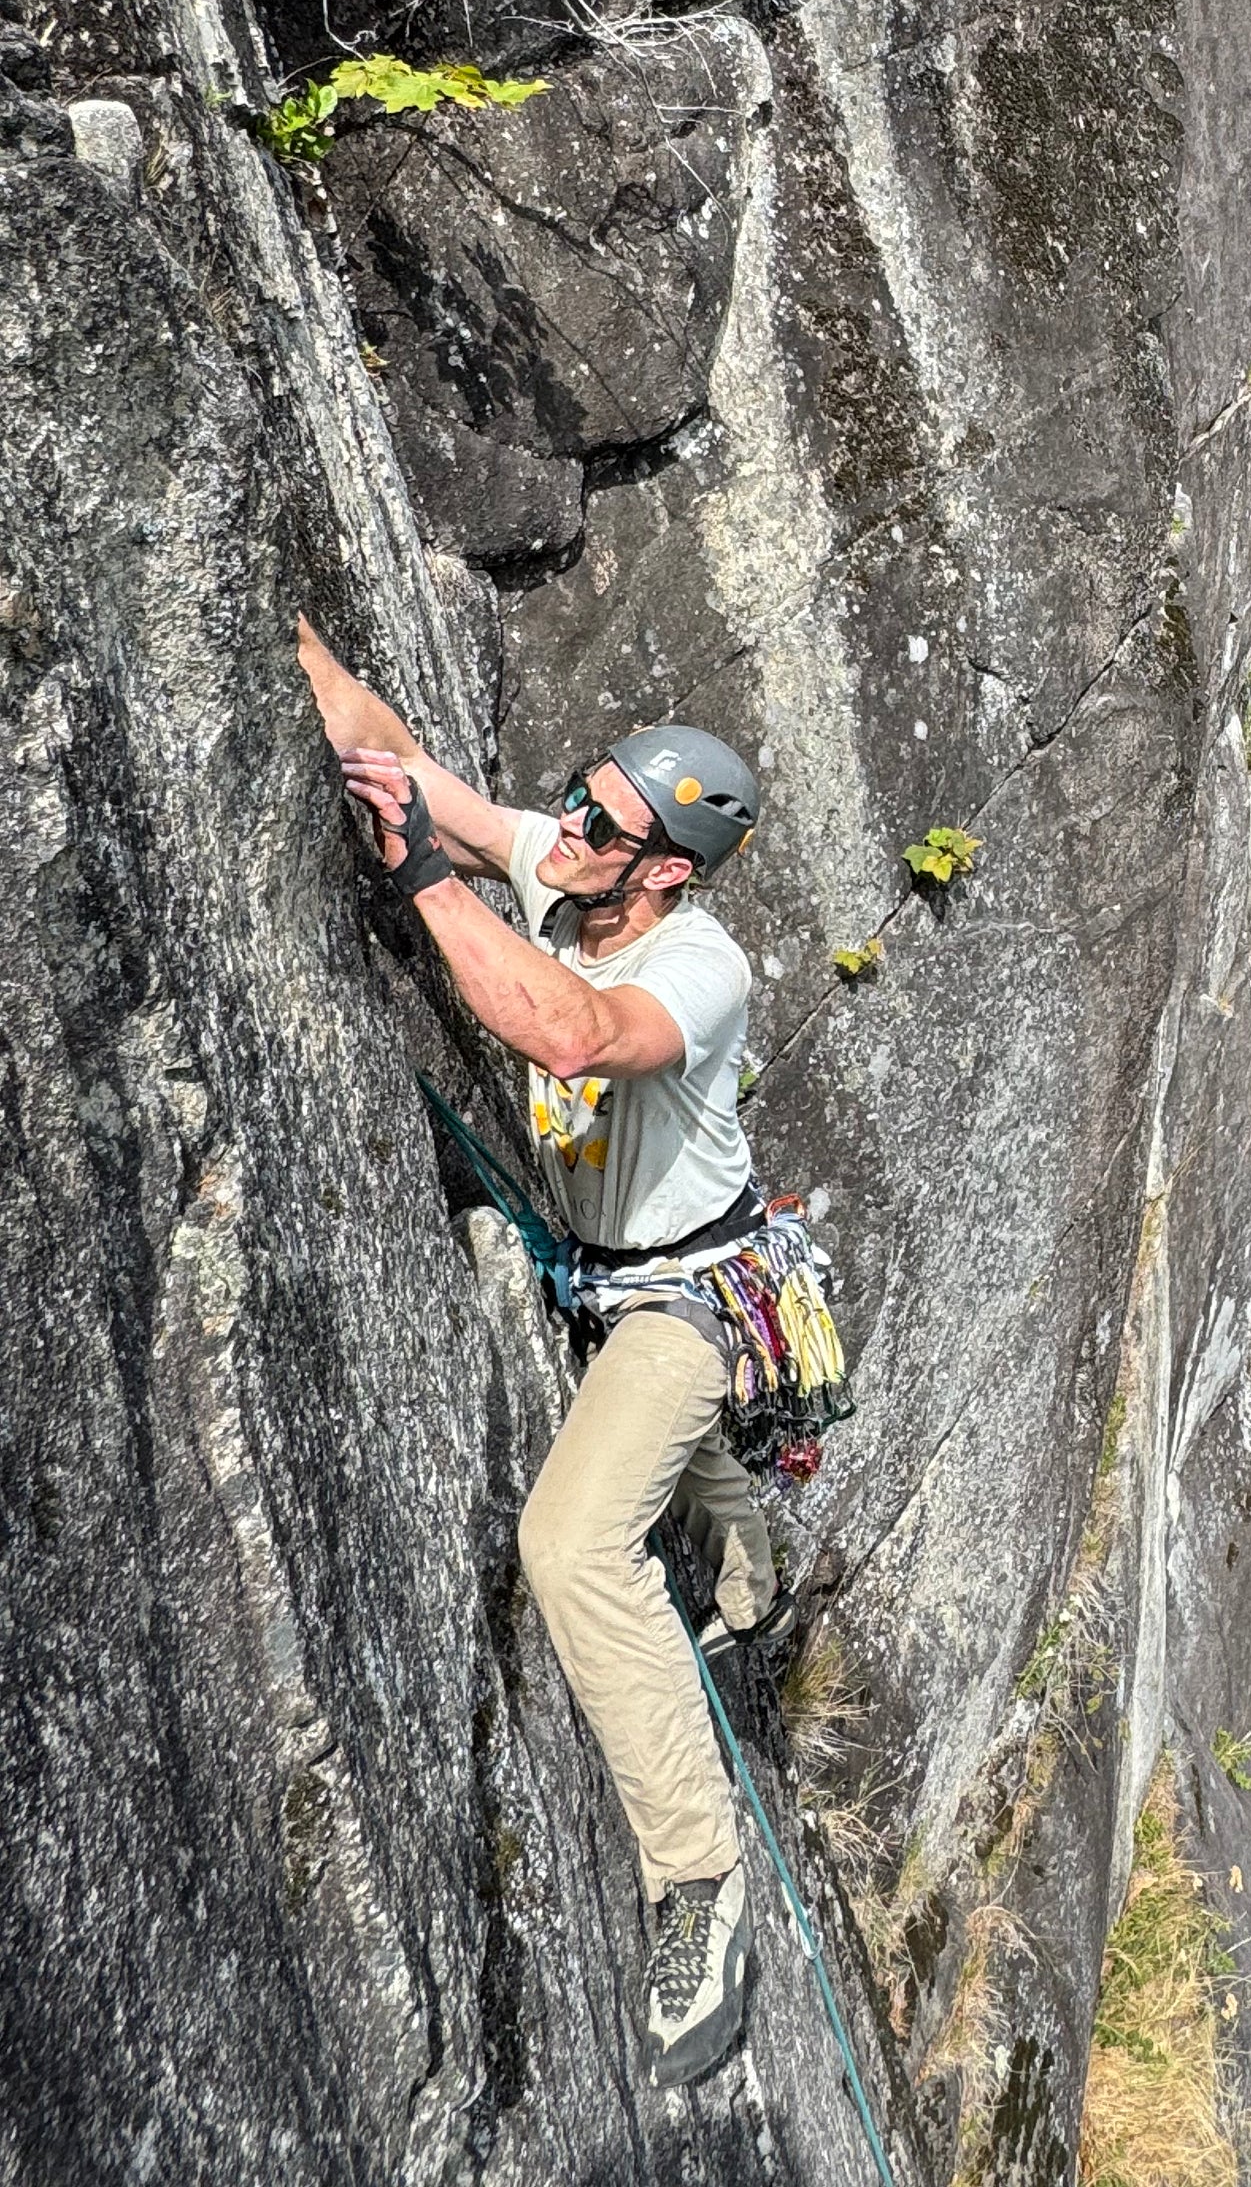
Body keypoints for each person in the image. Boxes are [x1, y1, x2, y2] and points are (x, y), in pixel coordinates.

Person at [296, 614, 793, 2089]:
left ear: (670, 873)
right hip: (609, 1268)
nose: (567, 827)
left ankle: (700, 1877)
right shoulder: (563, 871)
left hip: (686, 1302)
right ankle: (745, 1528)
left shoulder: (703, 969)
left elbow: (567, 1035)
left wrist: (425, 886)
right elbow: (397, 760)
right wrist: (294, 639)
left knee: (575, 1540)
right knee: (688, 1471)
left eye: (606, 827)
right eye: (577, 801)